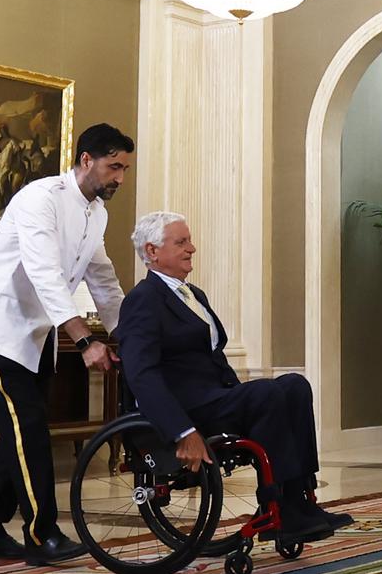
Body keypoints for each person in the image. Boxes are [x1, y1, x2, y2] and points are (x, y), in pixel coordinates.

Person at [117, 212, 351, 545]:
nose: (192, 248)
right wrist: (182, 431)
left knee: (295, 386)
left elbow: (213, 356)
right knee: (267, 394)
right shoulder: (142, 301)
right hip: (187, 408)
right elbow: (142, 376)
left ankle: (301, 500)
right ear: (152, 251)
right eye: (181, 242)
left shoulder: (193, 295)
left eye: (190, 241)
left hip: (216, 396)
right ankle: (280, 510)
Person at [0, 122, 132, 565]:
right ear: (86, 159)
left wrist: (128, 335)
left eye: (125, 169)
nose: (120, 179)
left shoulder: (98, 214)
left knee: (23, 432)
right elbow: (43, 273)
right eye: (114, 167)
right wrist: (86, 340)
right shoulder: (42, 198)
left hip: (36, 336)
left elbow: (103, 279)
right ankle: (41, 534)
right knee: (29, 427)